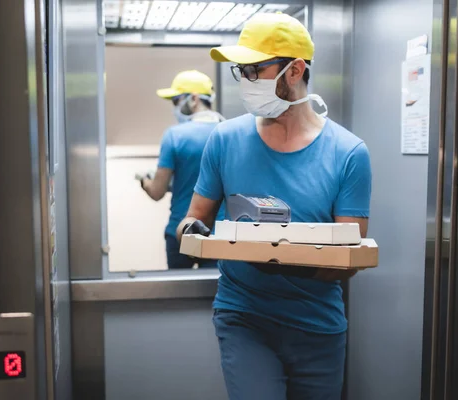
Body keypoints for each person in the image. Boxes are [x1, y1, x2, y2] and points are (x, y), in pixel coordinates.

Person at [176, 13, 372, 400]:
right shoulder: (225, 140)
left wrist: (276, 257)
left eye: (254, 70)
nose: (245, 81)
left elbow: (348, 262)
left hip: (318, 326)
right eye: (240, 71)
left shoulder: (348, 153)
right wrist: (193, 233)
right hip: (244, 317)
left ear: (295, 70)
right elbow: (192, 220)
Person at [139, 70, 225, 269]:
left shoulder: (174, 136)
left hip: (180, 231)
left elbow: (157, 191)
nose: (175, 107)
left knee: (178, 295)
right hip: (218, 234)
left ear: (193, 99)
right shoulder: (227, 132)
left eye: (176, 100)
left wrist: (145, 182)